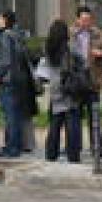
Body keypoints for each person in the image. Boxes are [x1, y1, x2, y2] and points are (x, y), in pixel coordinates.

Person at [37, 19, 89, 164]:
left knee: (55, 123)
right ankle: (73, 154)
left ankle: (51, 153)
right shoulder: (70, 48)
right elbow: (83, 62)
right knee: (72, 123)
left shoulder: (48, 48)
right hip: (69, 88)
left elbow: (43, 70)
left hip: (55, 89)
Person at [0, 11, 31, 159]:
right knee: (15, 115)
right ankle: (15, 145)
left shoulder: (5, 36)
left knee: (10, 116)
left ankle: (11, 147)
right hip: (18, 80)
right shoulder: (17, 35)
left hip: (7, 81)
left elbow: (6, 61)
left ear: (5, 21)